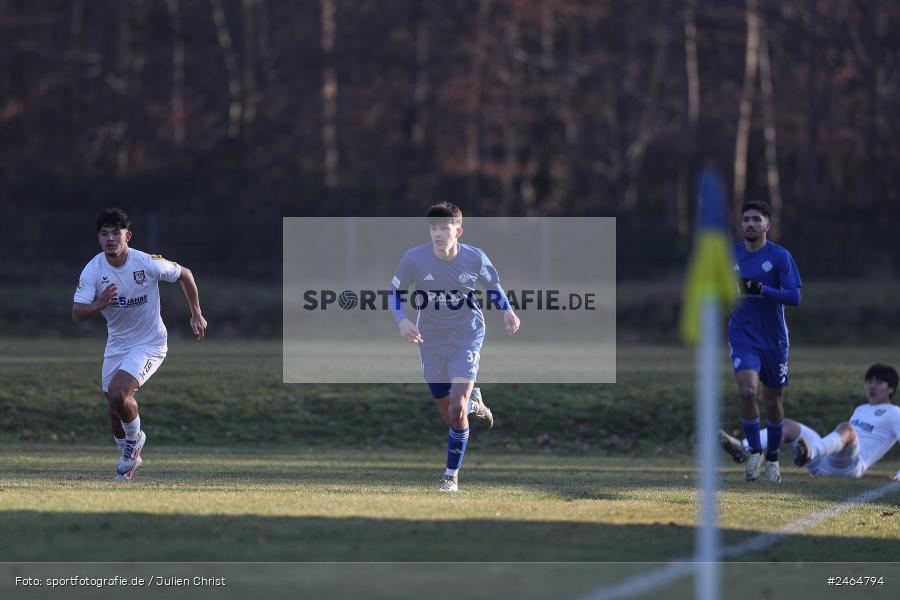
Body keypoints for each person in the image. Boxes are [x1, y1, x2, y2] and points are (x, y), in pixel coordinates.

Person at [390, 202, 520, 492]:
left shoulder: (474, 258)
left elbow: (493, 287)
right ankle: (476, 403)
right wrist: (402, 321)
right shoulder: (415, 258)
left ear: (458, 231)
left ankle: (450, 476)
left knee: (457, 407)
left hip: (466, 335)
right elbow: (395, 293)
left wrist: (507, 310)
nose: (438, 233)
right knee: (451, 416)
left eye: (445, 227)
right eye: (433, 228)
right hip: (430, 339)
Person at [73, 208, 207, 481]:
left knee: (118, 392)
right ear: (99, 238)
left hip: (150, 343)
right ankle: (128, 460)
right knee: (114, 407)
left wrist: (196, 313)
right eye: (104, 234)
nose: (110, 239)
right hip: (117, 345)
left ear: (128, 236)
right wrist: (98, 304)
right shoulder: (93, 269)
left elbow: (185, 274)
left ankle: (133, 446)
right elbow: (76, 312)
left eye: (116, 233)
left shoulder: (146, 262)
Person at [728, 200, 802, 483]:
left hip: (774, 339)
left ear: (767, 225)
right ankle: (755, 452)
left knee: (772, 400)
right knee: (747, 391)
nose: (750, 224)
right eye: (746, 219)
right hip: (743, 334)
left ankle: (772, 458)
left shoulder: (780, 256)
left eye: (756, 219)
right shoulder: (731, 255)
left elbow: (795, 296)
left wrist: (762, 289)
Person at [721, 364, 900, 481]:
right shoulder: (861, 409)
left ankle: (809, 453)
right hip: (825, 458)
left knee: (847, 428)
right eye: (869, 381)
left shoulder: (895, 413)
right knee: (787, 425)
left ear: (891, 388)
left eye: (878, 382)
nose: (872, 386)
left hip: (849, 467)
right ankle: (743, 448)